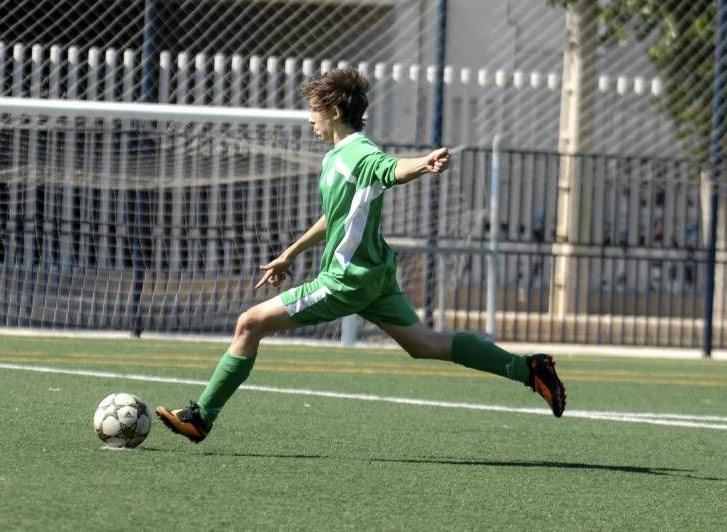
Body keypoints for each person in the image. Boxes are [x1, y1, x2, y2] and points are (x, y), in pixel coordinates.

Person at [155, 68, 566, 443]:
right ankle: (529, 370)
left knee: (248, 324)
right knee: (424, 344)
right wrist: (290, 253)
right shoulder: (338, 157)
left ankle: (201, 417)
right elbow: (335, 216)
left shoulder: (357, 153)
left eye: (314, 111)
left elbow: (390, 168)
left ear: (333, 111)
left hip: (346, 279)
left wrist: (421, 164)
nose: (309, 119)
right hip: (375, 275)